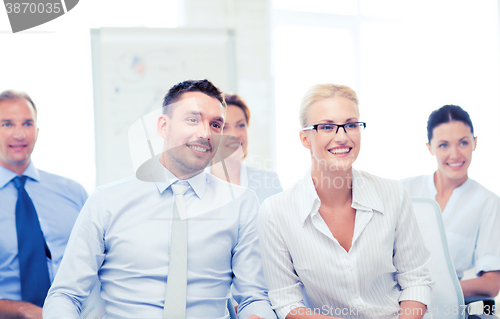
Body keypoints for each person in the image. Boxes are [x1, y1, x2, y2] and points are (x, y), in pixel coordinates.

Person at [43, 79, 276, 319]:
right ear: (164, 126)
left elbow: (254, 298)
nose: (206, 133)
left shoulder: (241, 204)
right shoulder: (107, 201)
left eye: (216, 125)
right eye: (193, 119)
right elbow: (66, 295)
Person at [258, 84, 432, 319]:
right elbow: (287, 302)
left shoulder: (393, 194)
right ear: (305, 139)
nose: (342, 137)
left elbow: (416, 279)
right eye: (327, 127)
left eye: (351, 125)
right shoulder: (276, 212)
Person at [0, 90, 88, 319]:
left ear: (37, 132)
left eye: (27, 123)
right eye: (7, 124)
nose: (19, 134)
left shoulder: (73, 192)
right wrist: (22, 310)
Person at [401, 104, 500, 298]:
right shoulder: (404, 190)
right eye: (443, 145)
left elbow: (492, 283)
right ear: (430, 148)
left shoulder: (488, 203)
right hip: (392, 302)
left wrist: (432, 290)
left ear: (475, 143)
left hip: (445, 307)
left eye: (463, 143)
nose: (455, 154)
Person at [209, 93, 283, 203]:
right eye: (224, 127)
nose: (235, 134)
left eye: (241, 125)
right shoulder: (192, 185)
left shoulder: (269, 183)